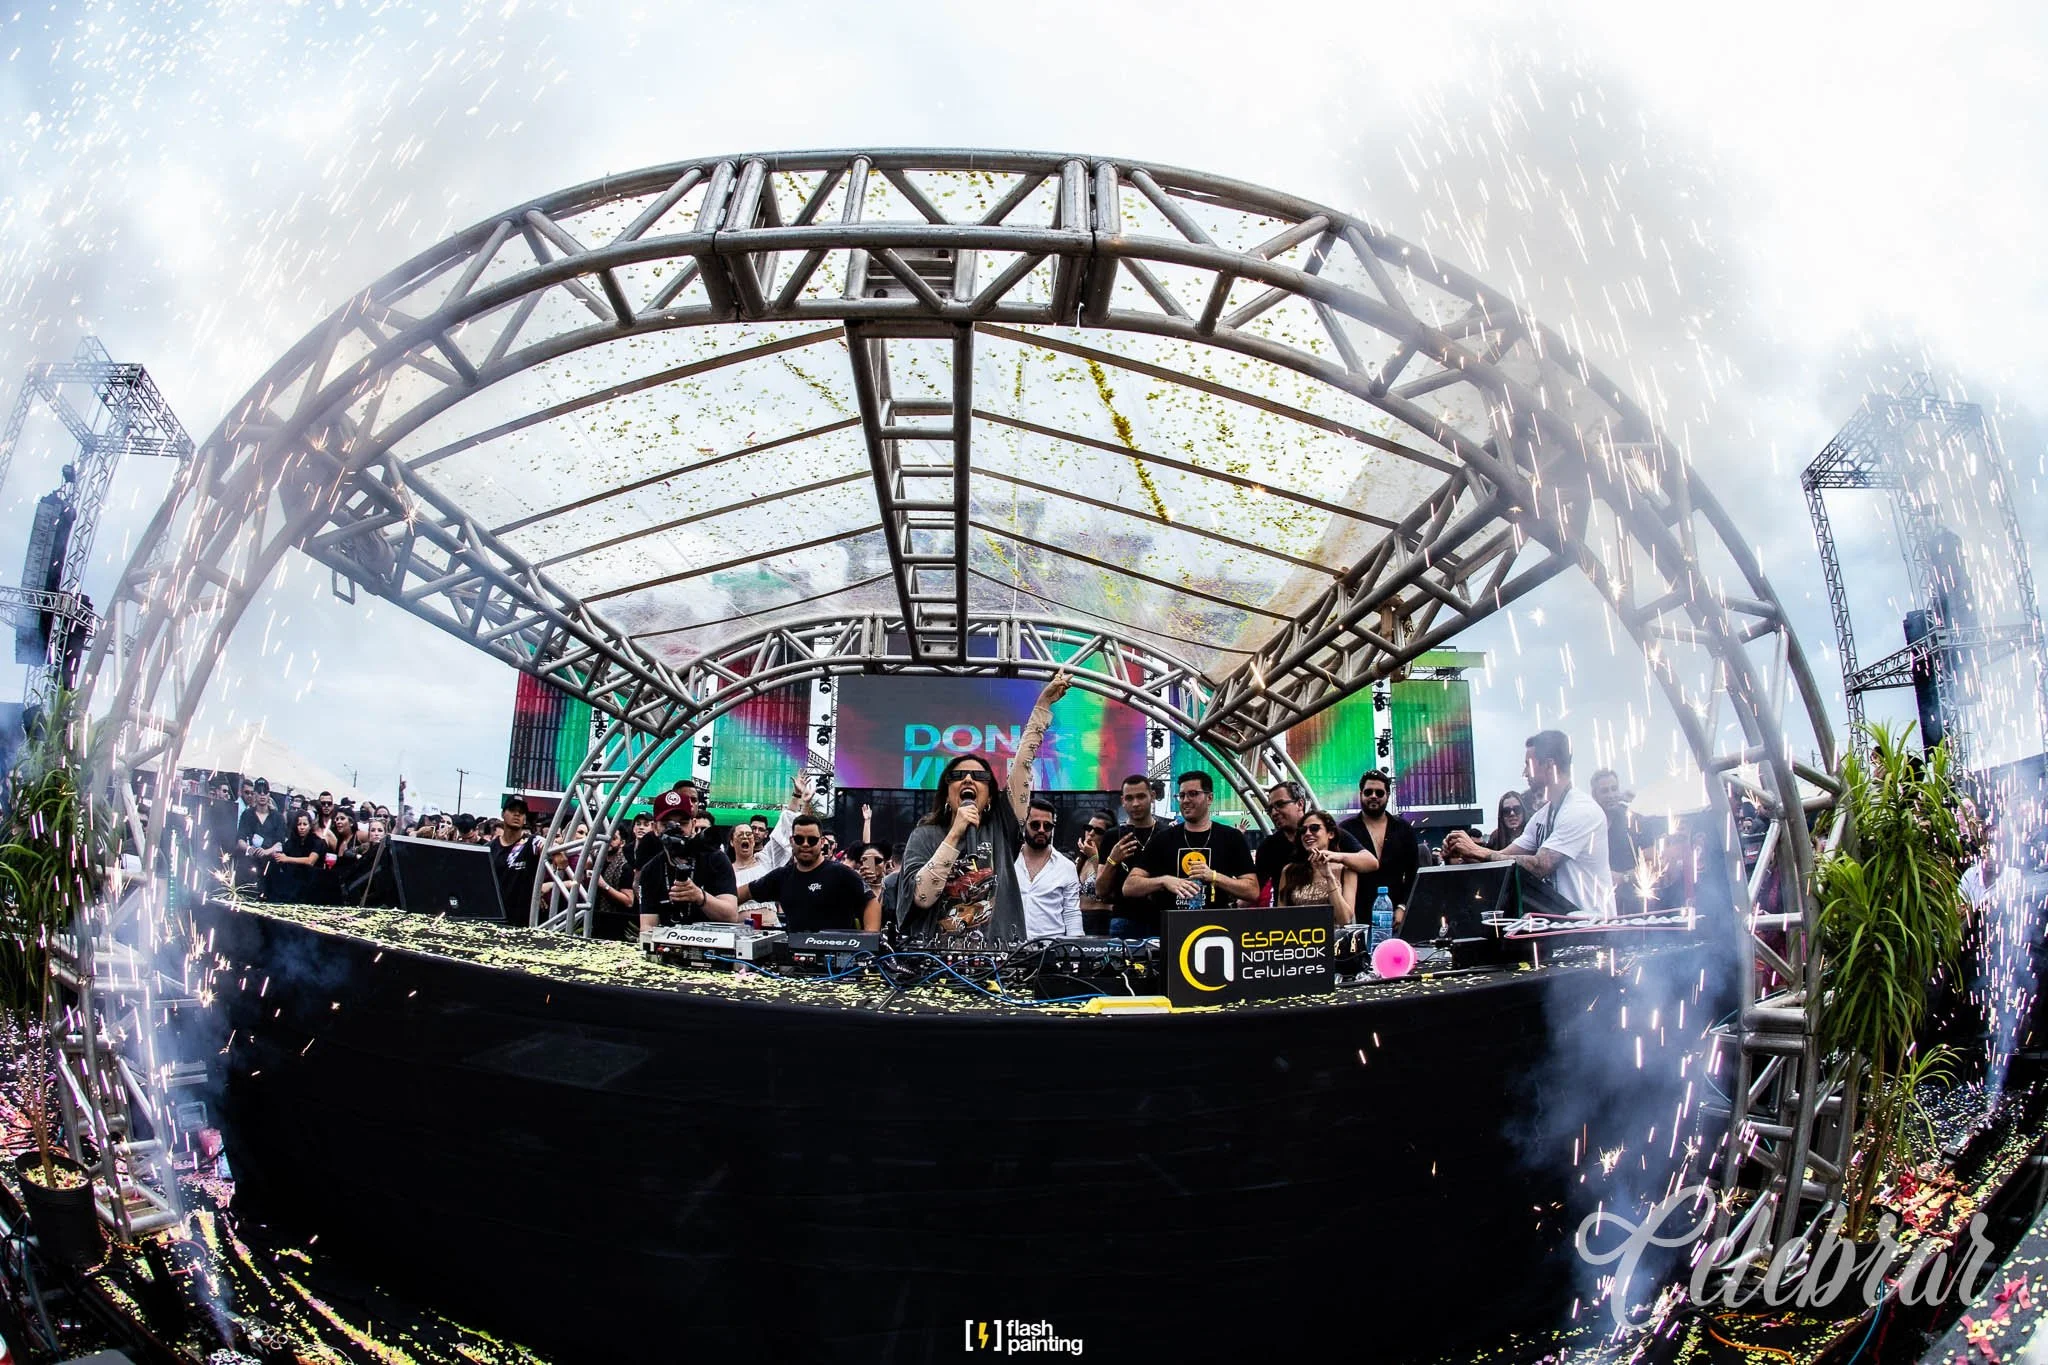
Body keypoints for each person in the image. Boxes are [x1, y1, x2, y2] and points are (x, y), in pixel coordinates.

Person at [899, 671, 1070, 942]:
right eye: (958, 775)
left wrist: (1043, 706)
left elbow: (1022, 765)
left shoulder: (1001, 827)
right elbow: (921, 897)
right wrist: (955, 834)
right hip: (936, 956)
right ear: (946, 794)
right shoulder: (924, 836)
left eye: (979, 776)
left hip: (995, 955)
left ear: (990, 797)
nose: (968, 779)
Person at [1443, 730, 1615, 919]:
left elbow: (1540, 865)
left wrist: (1477, 850)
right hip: (1565, 925)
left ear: (1549, 765)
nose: (1524, 773)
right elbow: (1502, 860)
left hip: (1592, 926)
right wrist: (1463, 851)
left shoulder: (1580, 810)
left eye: (1528, 765)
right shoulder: (1543, 815)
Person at [1125, 771, 1259, 914]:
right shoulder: (1163, 838)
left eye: (1193, 794)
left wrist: (1215, 877)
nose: (1186, 800)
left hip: (1216, 924)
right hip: (1171, 924)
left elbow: (1252, 891)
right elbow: (1129, 886)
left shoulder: (1231, 837)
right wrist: (1164, 881)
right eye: (1182, 795)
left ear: (1209, 798)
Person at [736, 814, 879, 932]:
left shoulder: (841, 873)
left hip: (837, 953)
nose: (805, 844)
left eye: (812, 840)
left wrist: (868, 940)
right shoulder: (781, 877)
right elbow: (745, 892)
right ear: (792, 841)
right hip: (794, 953)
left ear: (821, 842)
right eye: (799, 839)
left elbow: (871, 901)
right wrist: (723, 904)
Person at [1255, 779, 1370, 904]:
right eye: (1270, 809)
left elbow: (1370, 862)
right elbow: (1254, 890)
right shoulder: (1270, 848)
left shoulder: (1336, 839)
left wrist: (1337, 857)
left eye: (1280, 804)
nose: (1274, 812)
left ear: (1300, 804)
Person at [635, 799, 740, 931]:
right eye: (667, 824)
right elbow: (647, 925)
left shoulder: (716, 859)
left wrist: (699, 896)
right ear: (655, 828)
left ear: (693, 824)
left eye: (683, 823)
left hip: (711, 938)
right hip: (668, 940)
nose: (676, 829)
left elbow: (731, 915)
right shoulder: (651, 870)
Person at [1338, 770, 1422, 924]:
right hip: (1357, 917)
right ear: (1361, 794)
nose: (1373, 796)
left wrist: (1403, 907)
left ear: (1388, 795)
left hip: (1395, 916)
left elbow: (1414, 873)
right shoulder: (1345, 830)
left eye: (1379, 792)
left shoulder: (1403, 829)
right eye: (1368, 792)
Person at [1096, 774, 1167, 938]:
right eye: (1129, 798)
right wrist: (1112, 860)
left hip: (1162, 918)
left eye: (1141, 796)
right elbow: (1100, 890)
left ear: (1152, 796)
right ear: (1123, 801)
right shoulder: (1112, 836)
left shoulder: (1167, 833)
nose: (1135, 803)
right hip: (1124, 918)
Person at [1274, 810, 1358, 924]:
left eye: (1314, 828)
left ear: (1330, 834)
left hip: (1333, 934)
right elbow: (1280, 917)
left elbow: (1345, 919)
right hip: (1298, 934)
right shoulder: (1289, 871)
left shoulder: (1346, 869)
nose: (1307, 833)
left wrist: (1329, 877)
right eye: (1303, 830)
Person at [1015, 798, 1082, 939]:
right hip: (1012, 945)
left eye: (1047, 826)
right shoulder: (1010, 862)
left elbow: (1072, 913)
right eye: (1035, 825)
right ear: (1024, 824)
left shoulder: (1066, 867)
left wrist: (1075, 947)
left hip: (1052, 946)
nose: (1041, 830)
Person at [1591, 768, 1647, 910]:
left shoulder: (1634, 821)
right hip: (1599, 904)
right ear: (1594, 795)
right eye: (1605, 791)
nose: (1611, 795)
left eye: (1614, 789)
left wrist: (1623, 877)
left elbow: (1653, 864)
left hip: (1635, 905)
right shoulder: (1588, 826)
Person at [487, 794, 545, 926]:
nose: (517, 814)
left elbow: (548, 845)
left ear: (525, 818)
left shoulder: (532, 842)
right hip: (493, 920)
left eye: (521, 812)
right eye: (512, 810)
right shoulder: (489, 848)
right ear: (503, 814)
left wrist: (556, 853)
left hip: (523, 924)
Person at [234, 782, 287, 896]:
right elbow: (240, 839)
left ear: (269, 795)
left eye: (265, 792)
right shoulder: (247, 814)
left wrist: (267, 851)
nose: (262, 795)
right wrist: (249, 849)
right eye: (259, 792)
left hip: (270, 868)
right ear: (255, 794)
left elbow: (280, 843)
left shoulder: (278, 817)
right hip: (249, 866)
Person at [267, 810, 325, 904]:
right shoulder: (291, 842)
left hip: (312, 884)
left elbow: (310, 861)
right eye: (299, 824)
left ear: (310, 826)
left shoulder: (317, 842)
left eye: (305, 824)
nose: (302, 827)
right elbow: (282, 856)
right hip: (293, 884)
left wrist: (287, 859)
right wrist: (276, 856)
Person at [1076, 810, 1115, 934]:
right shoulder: (1081, 860)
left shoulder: (1111, 860)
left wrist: (1094, 858)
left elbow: (1107, 889)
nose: (1091, 833)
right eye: (1088, 828)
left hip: (1101, 920)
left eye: (1098, 831)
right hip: (1078, 920)